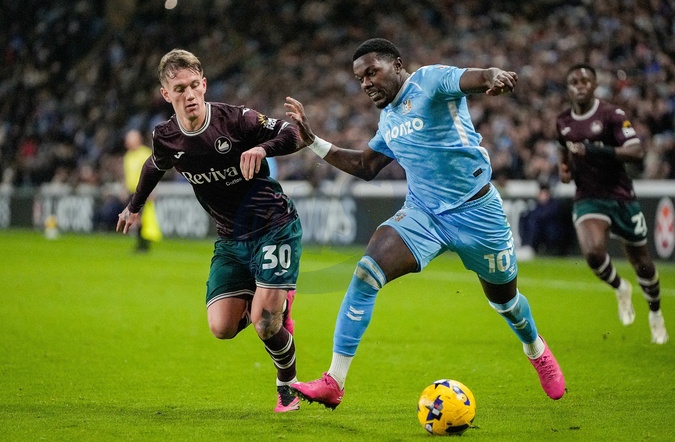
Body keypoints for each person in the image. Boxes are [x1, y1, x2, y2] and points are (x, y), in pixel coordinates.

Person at [284, 38, 566, 409]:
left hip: (477, 212)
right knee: (366, 274)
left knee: (506, 302)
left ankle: (536, 350)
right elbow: (366, 166)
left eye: (372, 72)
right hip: (424, 215)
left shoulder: (430, 81)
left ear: (397, 65)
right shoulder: (389, 118)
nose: (366, 83)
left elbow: (475, 77)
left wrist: (494, 77)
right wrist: (313, 142)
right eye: (360, 78)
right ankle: (334, 381)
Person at [116, 48, 304, 412]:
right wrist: (134, 206)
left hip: (273, 226)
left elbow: (292, 132)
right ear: (166, 94)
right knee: (221, 327)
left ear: (203, 84)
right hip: (230, 238)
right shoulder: (167, 137)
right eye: (179, 88)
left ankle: (287, 385)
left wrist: (263, 149)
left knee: (265, 323)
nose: (189, 94)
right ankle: (269, 298)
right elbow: (155, 166)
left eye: (193, 85)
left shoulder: (236, 119)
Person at [556, 63, 668, 344]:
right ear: (568, 88)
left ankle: (655, 313)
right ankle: (620, 287)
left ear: (595, 86)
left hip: (620, 197)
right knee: (593, 253)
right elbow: (563, 147)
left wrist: (596, 150)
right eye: (574, 81)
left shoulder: (611, 115)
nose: (580, 86)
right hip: (588, 198)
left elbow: (636, 151)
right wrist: (564, 168)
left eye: (585, 81)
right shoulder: (563, 121)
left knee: (643, 264)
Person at [122, 129, 162, 252]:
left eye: (130, 140)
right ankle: (141, 243)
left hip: (143, 192)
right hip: (132, 192)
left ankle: (143, 244)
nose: (127, 143)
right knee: (135, 218)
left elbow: (153, 173)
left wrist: (151, 189)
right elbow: (127, 175)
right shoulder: (128, 156)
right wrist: (124, 188)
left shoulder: (145, 154)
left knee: (141, 218)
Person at [518, 182, 570, 260]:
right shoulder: (534, 205)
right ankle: (529, 247)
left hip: (551, 233)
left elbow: (547, 216)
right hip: (538, 233)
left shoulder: (555, 205)